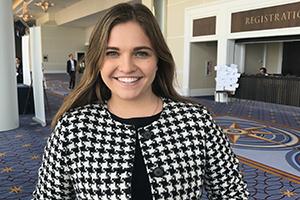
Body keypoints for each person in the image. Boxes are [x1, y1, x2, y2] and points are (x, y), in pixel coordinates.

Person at [33, 3, 248, 199]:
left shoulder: (196, 122)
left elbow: (232, 192)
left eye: (141, 53)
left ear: (158, 60)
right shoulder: (73, 127)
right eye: (112, 53)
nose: (126, 67)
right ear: (98, 61)